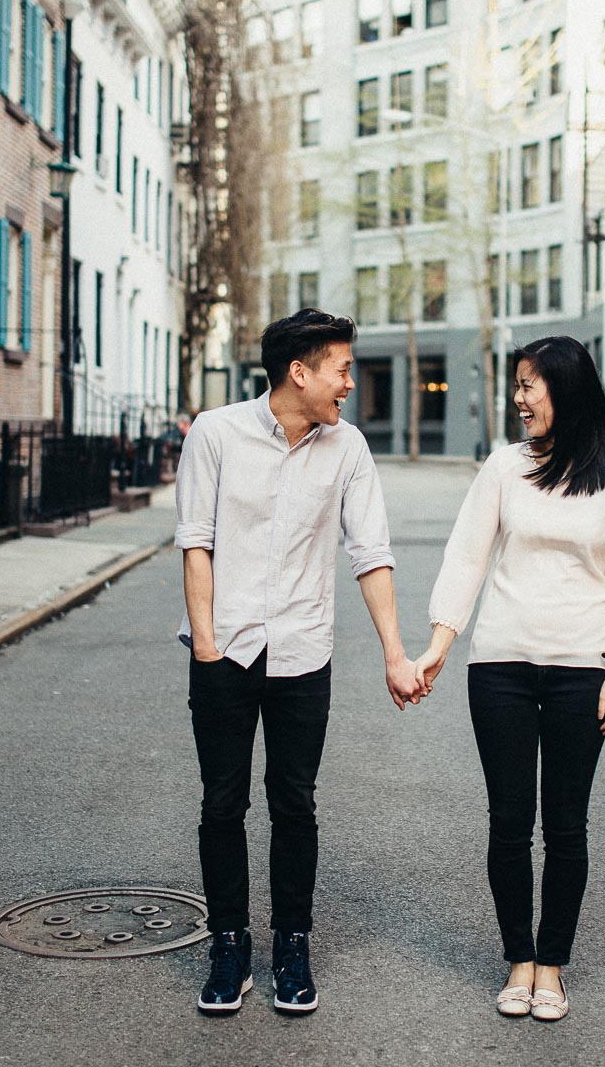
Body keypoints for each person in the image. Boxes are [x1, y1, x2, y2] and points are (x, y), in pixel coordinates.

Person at [174, 309, 427, 1017]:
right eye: (342, 369)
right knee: (221, 803)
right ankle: (229, 944)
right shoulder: (217, 434)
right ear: (300, 371)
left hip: (302, 653)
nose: (350, 383)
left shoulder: (347, 449)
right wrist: (205, 644)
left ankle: (291, 945)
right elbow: (197, 542)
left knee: (295, 803)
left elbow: (370, 553)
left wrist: (395, 655)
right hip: (224, 648)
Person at [415, 336, 605, 1023]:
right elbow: (466, 558)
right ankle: (518, 958)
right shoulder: (502, 468)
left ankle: (552, 967)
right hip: (500, 666)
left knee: (568, 826)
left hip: (583, 670)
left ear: (566, 389)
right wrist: (439, 644)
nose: (518, 398)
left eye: (529, 385)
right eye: (515, 386)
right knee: (509, 821)